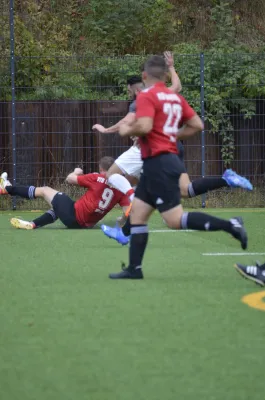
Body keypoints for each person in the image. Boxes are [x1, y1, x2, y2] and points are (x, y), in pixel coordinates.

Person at [108, 55, 248, 279]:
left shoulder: (147, 95)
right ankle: (134, 269)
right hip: (161, 161)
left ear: (144, 76)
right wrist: (172, 134)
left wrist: (126, 130)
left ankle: (230, 225)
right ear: (165, 75)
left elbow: (143, 126)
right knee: (138, 214)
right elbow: (197, 125)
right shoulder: (173, 97)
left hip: (160, 164)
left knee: (174, 220)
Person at [0, 157, 130, 230]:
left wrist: (76, 171)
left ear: (102, 169)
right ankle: (33, 224)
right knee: (58, 207)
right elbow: (127, 211)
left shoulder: (97, 178)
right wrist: (122, 220)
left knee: (45, 190)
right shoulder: (122, 188)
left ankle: (6, 188)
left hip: (74, 215)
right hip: (85, 225)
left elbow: (69, 179)